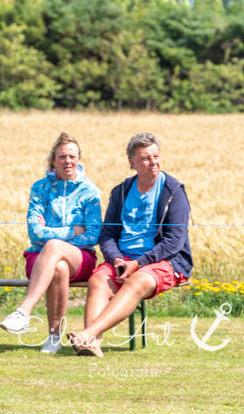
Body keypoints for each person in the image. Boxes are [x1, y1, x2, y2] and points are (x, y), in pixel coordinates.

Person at [69, 133, 192, 357]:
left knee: (135, 282)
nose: (153, 162)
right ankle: (92, 345)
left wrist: (138, 263)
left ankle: (88, 335)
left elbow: (175, 240)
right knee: (97, 280)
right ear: (132, 162)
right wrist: (116, 259)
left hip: (164, 261)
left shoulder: (174, 192)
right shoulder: (121, 191)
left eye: (156, 156)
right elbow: (107, 234)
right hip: (123, 258)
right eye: (145, 158)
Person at [0, 133, 102, 354]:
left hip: (81, 257)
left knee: (55, 247)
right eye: (62, 156)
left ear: (79, 159)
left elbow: (93, 235)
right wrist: (72, 230)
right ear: (53, 160)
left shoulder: (90, 191)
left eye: (72, 156)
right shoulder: (40, 188)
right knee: (58, 266)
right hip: (39, 257)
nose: (68, 161)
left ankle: (24, 311)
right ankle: (53, 338)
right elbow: (34, 232)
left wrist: (54, 236)